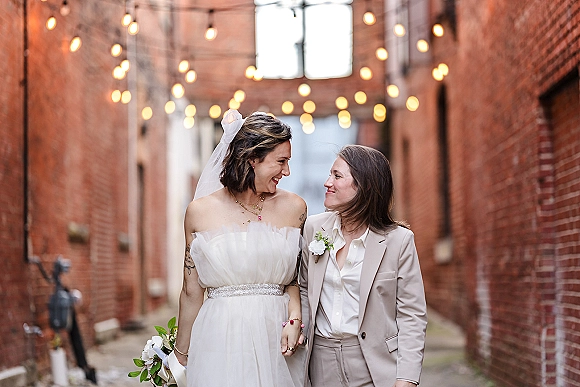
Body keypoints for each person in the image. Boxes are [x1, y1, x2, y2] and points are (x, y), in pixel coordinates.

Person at [173, 109, 307, 387]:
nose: (287, 171)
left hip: (277, 338)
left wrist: (295, 317)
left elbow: (295, 278)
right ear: (252, 159)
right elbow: (191, 290)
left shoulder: (295, 208)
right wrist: (180, 355)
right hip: (220, 336)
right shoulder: (199, 212)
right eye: (281, 161)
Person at [299, 145, 427, 387]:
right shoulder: (313, 228)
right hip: (320, 364)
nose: (327, 183)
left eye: (337, 176)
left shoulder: (399, 241)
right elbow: (304, 290)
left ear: (365, 186)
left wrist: (406, 379)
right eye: (330, 174)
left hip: (374, 366)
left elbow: (412, 315)